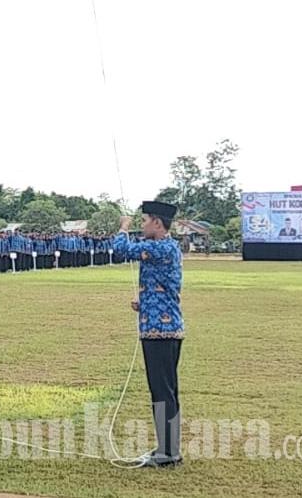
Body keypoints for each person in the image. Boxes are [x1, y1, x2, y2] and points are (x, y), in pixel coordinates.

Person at [113, 200, 184, 468]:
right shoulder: (167, 247)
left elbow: (121, 250)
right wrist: (145, 302)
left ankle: (168, 453)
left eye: (144, 221)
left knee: (162, 392)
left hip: (160, 332)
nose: (141, 226)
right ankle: (168, 448)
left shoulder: (161, 247)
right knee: (166, 391)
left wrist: (123, 227)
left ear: (157, 222)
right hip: (164, 327)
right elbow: (163, 284)